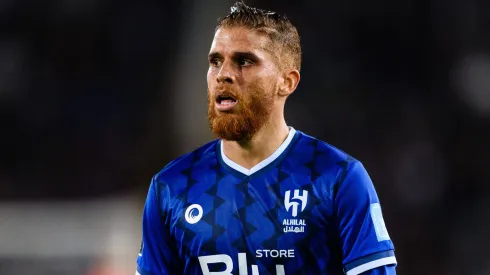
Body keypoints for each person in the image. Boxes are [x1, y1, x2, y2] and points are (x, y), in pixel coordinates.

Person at [136, 2, 397, 275]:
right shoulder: (171, 187)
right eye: (215, 61)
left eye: (244, 61)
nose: (223, 74)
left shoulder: (336, 178)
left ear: (287, 82)